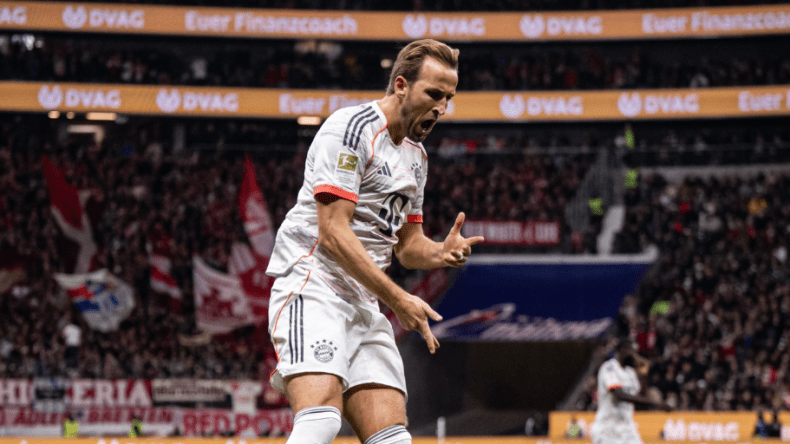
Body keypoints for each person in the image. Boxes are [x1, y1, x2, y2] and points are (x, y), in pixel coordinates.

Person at [265, 38, 484, 444]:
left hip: (363, 299)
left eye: (448, 98)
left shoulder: (416, 158)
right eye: (433, 94)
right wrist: (399, 299)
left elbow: (408, 246)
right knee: (321, 420)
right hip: (312, 283)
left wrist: (440, 252)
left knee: (392, 440)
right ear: (401, 85)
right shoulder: (351, 129)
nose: (441, 107)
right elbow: (333, 233)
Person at [591, 338, 671, 444]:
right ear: (622, 350)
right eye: (632, 351)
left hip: (627, 429)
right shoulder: (609, 367)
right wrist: (655, 403)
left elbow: (639, 399)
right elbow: (619, 395)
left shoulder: (631, 373)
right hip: (607, 428)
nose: (634, 355)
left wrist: (644, 374)